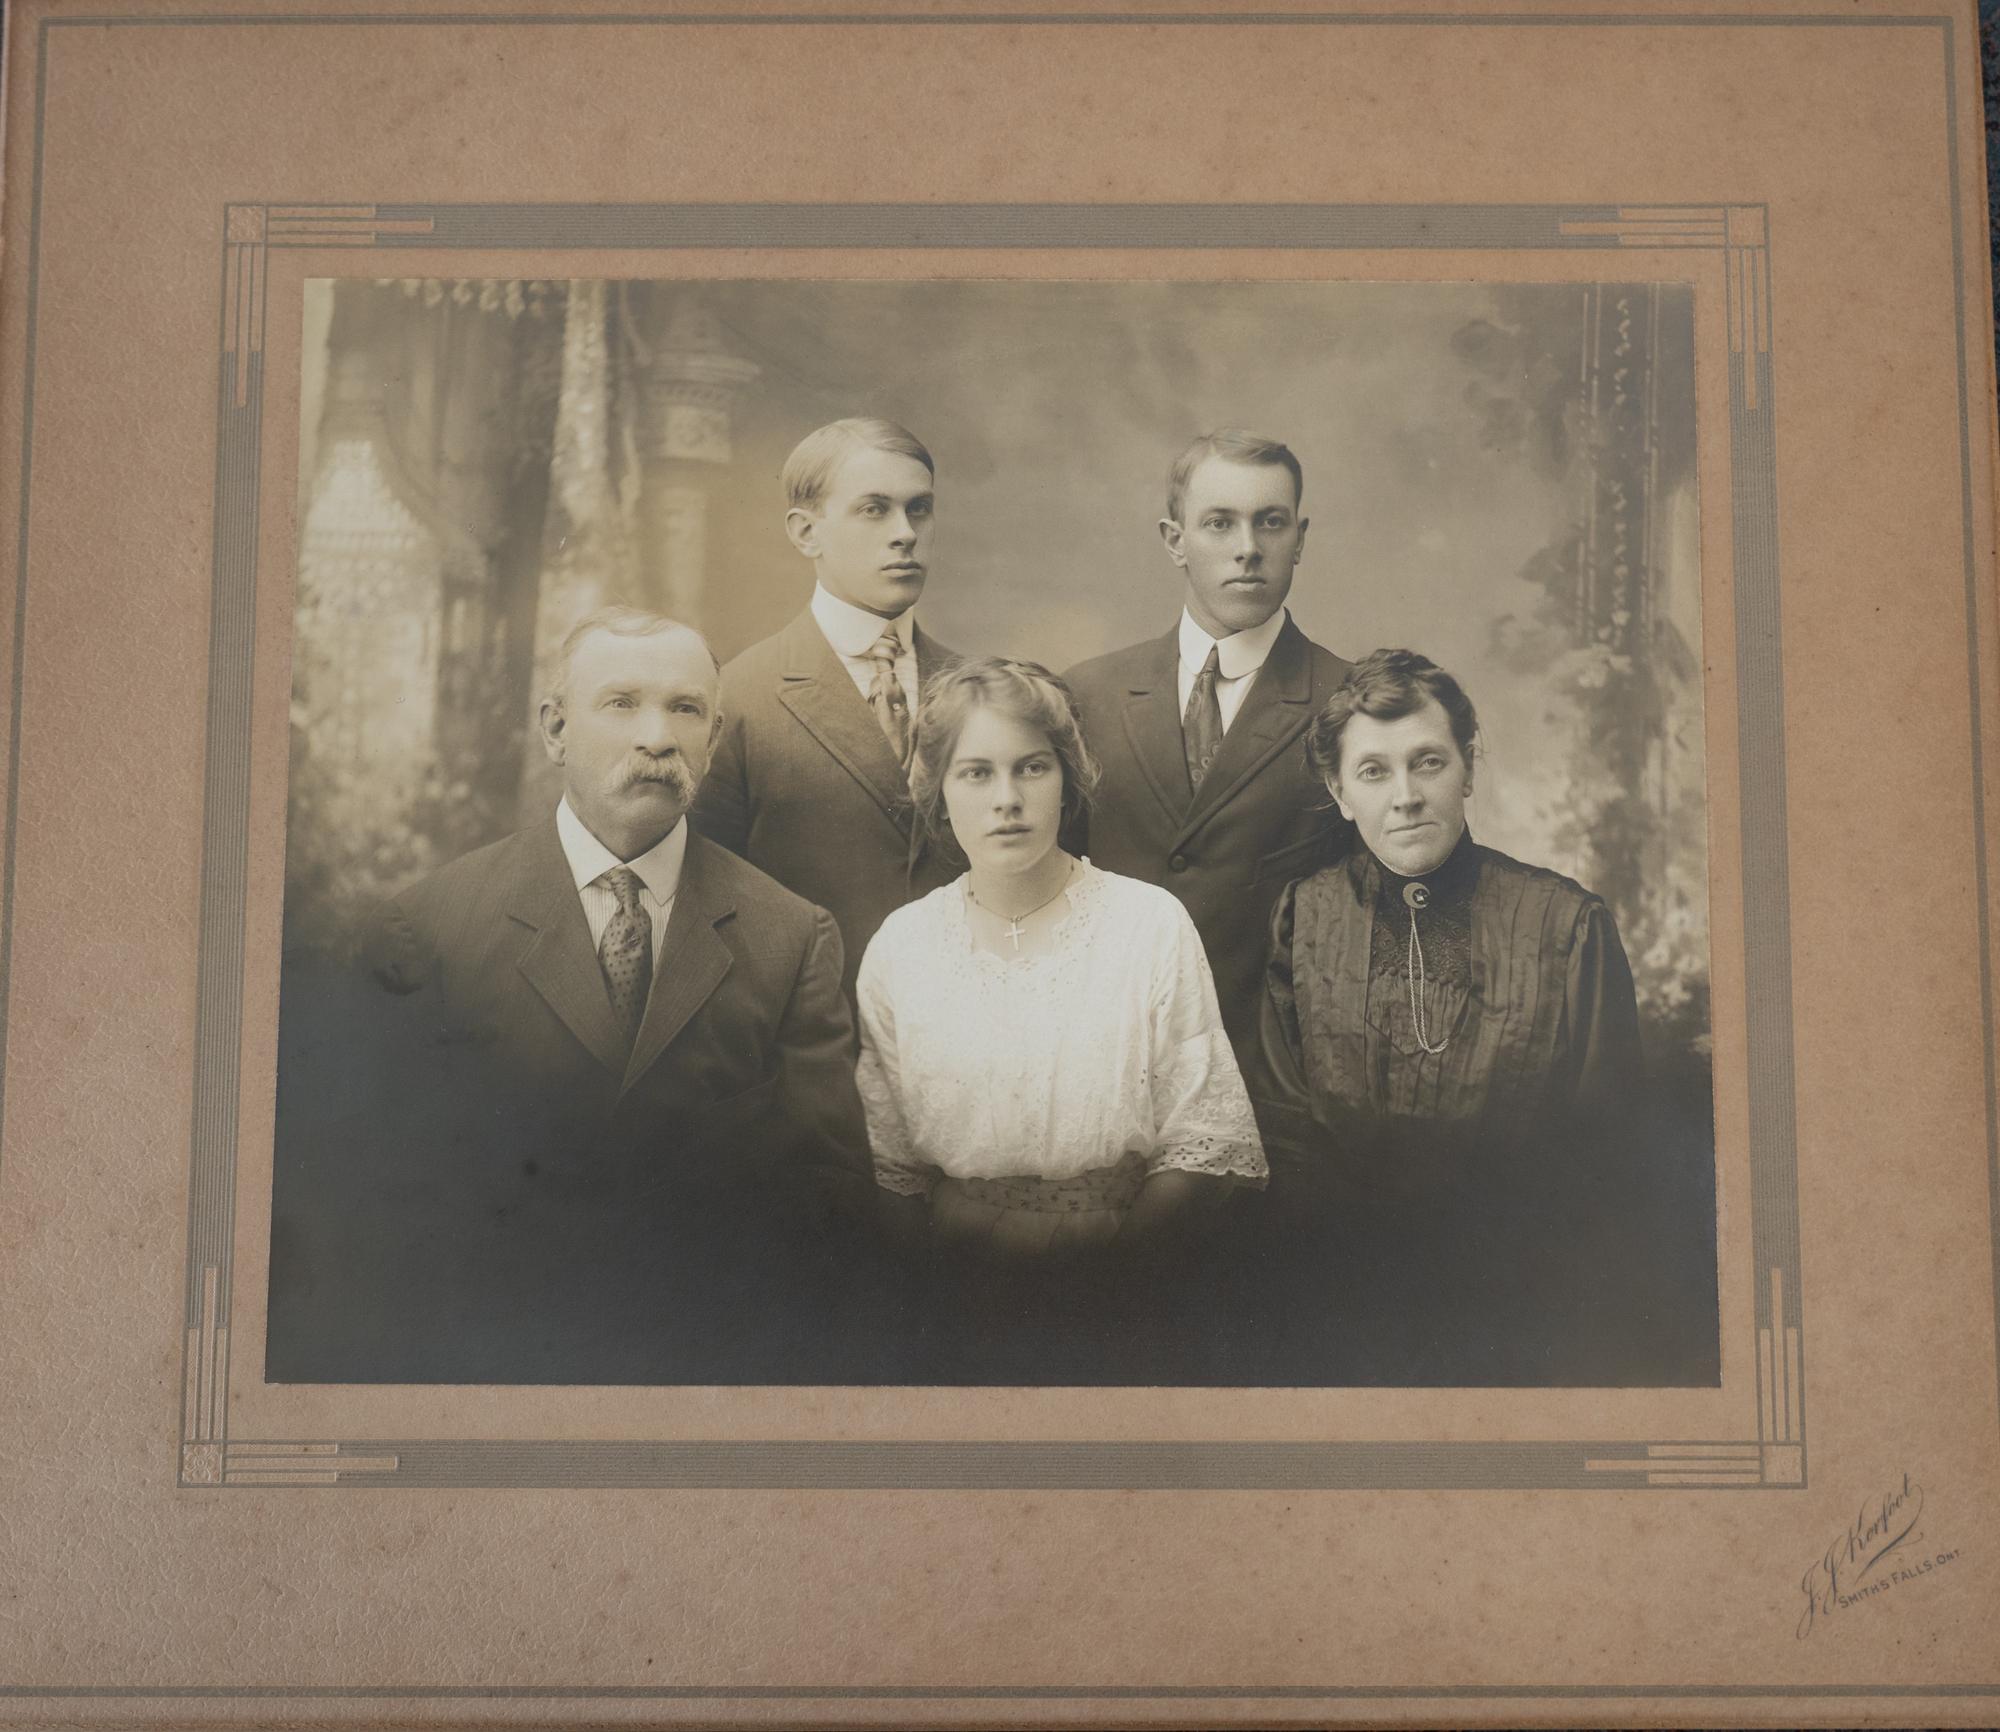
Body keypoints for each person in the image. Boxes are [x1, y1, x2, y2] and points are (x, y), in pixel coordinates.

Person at [266, 606, 878, 1385]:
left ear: (715, 742)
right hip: (493, 1361)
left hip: (717, 1363)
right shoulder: (432, 928)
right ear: (556, 731)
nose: (657, 736)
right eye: (621, 703)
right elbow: (382, 1205)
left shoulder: (789, 938)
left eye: (685, 710)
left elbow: (831, 1212)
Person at [1249, 648, 1663, 1384]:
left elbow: (1608, 1156)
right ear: (1340, 792)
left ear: (1468, 769)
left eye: (1428, 762)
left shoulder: (1566, 925)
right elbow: (1284, 1134)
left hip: (1516, 1314)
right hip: (1334, 1309)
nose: (1405, 795)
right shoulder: (1303, 917)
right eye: (1374, 771)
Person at [854, 657, 1267, 1292]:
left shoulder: (1147, 924)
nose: (1007, 800)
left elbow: (1201, 1143)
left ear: (1067, 781)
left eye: (1032, 768)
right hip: (952, 1281)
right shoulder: (901, 947)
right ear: (938, 792)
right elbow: (893, 1169)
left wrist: (1105, 1282)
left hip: (1126, 1271)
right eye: (976, 774)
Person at [1064, 429, 1354, 1066]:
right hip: (1108, 1057)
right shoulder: (1088, 694)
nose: (1247, 549)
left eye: (1270, 523)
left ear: (1299, 539)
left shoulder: (1350, 700)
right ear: (1175, 541)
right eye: (1219, 524)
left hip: (1278, 1071)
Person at [691, 417, 961, 1004]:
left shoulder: (976, 691)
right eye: (874, 510)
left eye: (919, 509)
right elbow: (705, 913)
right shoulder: (737, 698)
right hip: (810, 1043)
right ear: (806, 532)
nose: (905, 533)